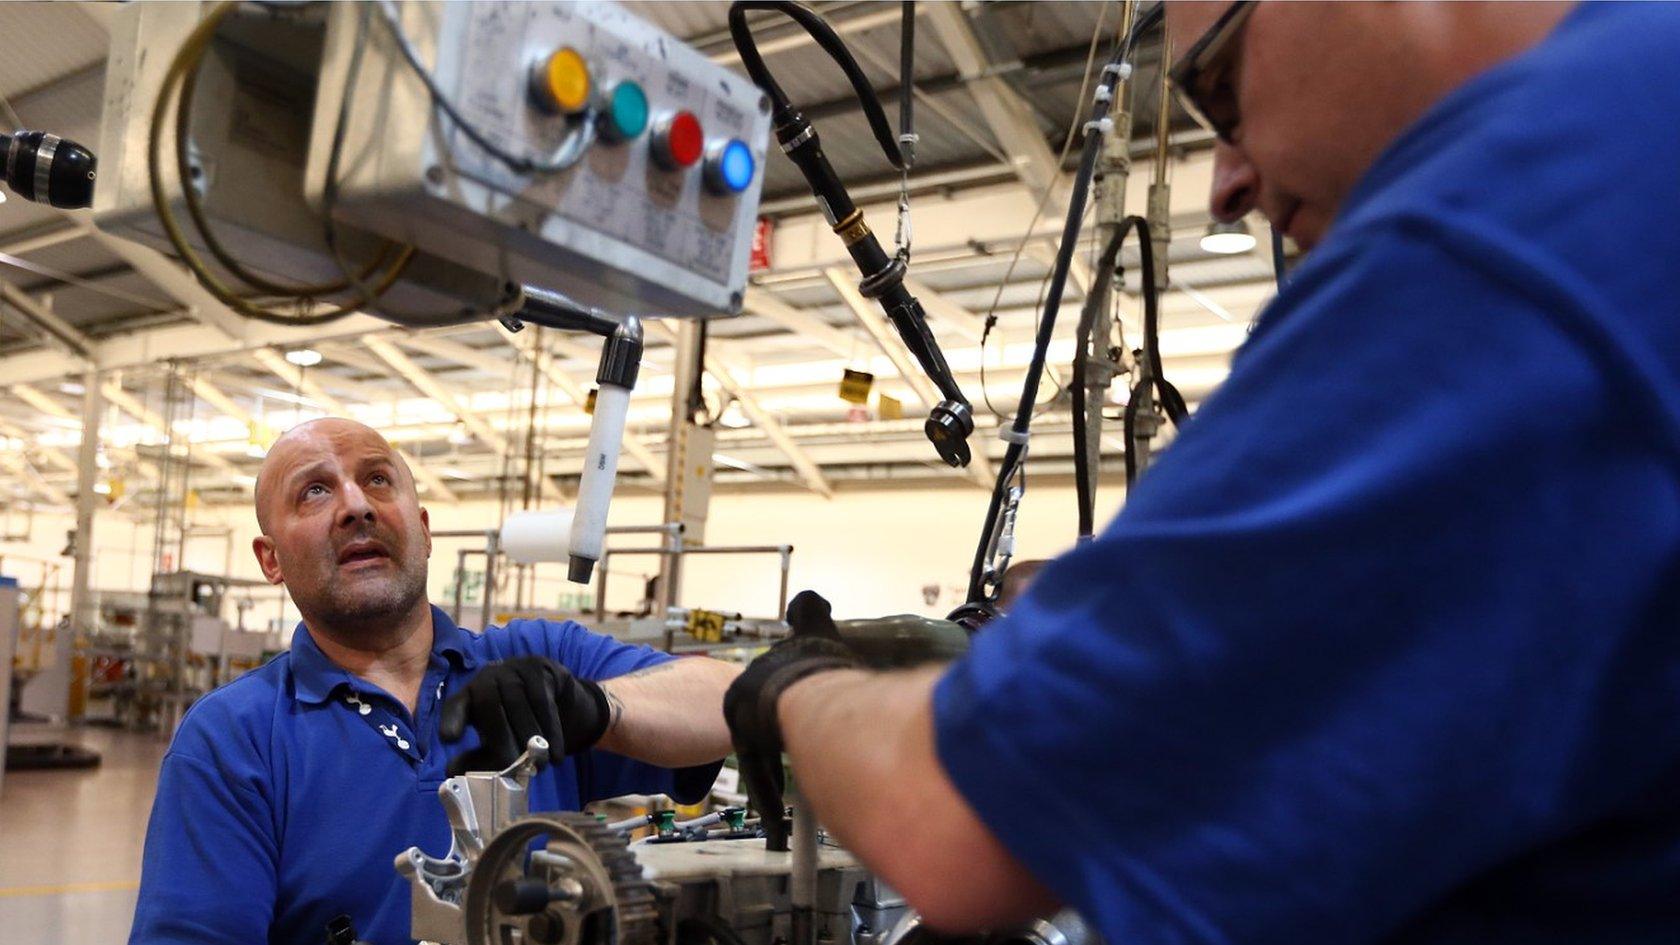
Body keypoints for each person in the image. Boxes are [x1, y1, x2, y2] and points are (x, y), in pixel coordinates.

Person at [726, 4, 1680, 943]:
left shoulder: (1493, 239)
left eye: (1219, 91)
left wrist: (795, 690)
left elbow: (959, 823)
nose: (1224, 183)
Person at [129, 418, 739, 944]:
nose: (357, 506)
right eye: (314, 492)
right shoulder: (234, 738)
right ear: (271, 560)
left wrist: (601, 708)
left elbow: (734, 701)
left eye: (377, 480)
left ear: (422, 529)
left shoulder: (533, 660)